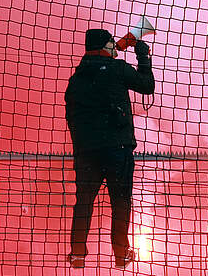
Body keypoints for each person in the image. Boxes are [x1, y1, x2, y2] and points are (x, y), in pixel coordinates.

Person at [64, 27, 154, 268]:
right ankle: (121, 254)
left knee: (83, 201)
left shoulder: (76, 78)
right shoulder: (118, 69)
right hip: (117, 147)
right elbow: (146, 86)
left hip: (86, 151)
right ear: (105, 46)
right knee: (121, 202)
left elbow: (70, 115)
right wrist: (143, 57)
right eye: (111, 44)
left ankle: (78, 253)